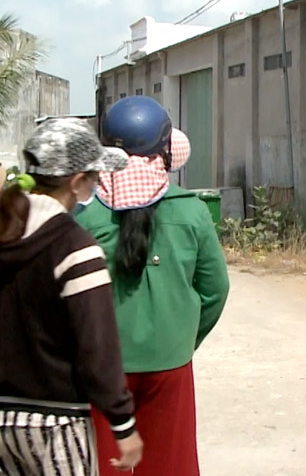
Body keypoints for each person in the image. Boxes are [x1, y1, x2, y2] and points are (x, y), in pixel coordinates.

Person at [0, 118, 143, 475]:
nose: (95, 187)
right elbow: (97, 348)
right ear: (76, 182)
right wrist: (123, 424)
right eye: (94, 179)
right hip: (57, 426)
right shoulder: (76, 248)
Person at [76, 96, 229, 476]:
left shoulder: (84, 216)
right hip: (170, 362)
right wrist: (182, 335)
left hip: (102, 367)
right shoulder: (190, 210)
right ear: (165, 149)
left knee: (108, 464)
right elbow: (215, 289)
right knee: (169, 463)